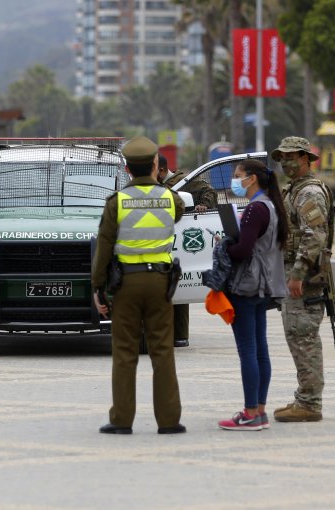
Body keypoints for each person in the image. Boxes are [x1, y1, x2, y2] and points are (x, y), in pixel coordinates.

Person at [92, 136, 186, 435]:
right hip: (160, 282)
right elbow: (178, 213)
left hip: (126, 283)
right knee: (162, 351)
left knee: (124, 352)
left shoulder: (117, 202)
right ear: (156, 165)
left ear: (127, 169)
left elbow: (104, 248)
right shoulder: (172, 199)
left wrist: (98, 288)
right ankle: (169, 420)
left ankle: (122, 420)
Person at [216, 159, 289, 431]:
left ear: (253, 178)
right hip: (262, 286)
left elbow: (243, 251)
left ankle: (249, 413)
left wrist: (223, 246)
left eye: (238, 176)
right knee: (260, 349)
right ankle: (259, 411)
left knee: (248, 350)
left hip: (246, 286)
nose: (235, 181)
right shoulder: (270, 206)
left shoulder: (254, 210)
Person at [271, 136, 333, 423]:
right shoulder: (293, 189)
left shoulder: (308, 193)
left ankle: (310, 403)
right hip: (294, 274)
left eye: (291, 156)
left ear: (307, 158)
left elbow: (315, 235)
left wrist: (297, 274)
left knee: (303, 336)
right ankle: (304, 397)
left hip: (305, 278)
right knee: (297, 335)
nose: (285, 162)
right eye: (281, 157)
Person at [157, 154, 218, 348]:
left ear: (161, 170)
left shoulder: (183, 182)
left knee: (179, 289)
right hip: (162, 239)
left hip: (181, 238)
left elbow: (209, 192)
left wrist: (204, 206)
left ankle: (179, 336)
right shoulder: (152, 186)